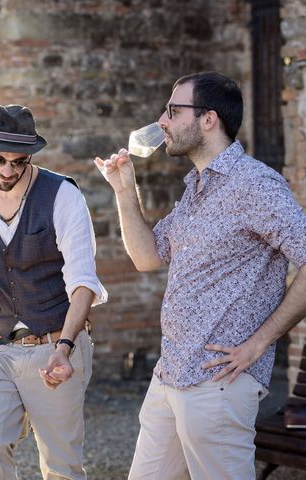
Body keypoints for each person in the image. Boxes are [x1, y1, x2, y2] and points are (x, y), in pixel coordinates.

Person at [94, 71, 306, 479]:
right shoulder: (196, 188)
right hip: (170, 375)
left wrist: (259, 343)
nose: (162, 122)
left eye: (173, 111)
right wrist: (124, 191)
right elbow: (148, 257)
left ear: (209, 119)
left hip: (219, 385)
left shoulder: (256, 184)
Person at [0, 104, 108, 480]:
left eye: (18, 162)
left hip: (57, 343)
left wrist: (66, 348)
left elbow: (83, 283)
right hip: (6, 344)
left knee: (61, 467)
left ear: (30, 157)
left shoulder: (63, 195)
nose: (7, 171)